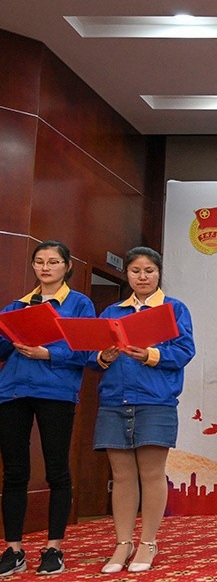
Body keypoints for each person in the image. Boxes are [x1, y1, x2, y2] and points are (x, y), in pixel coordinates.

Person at [92, 247, 195, 573]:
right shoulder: (112, 312)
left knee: (151, 474)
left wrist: (150, 355)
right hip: (115, 399)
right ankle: (123, 543)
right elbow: (89, 354)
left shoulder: (173, 309)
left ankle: (148, 542)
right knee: (122, 476)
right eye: (135, 271)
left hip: (155, 400)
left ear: (159, 273)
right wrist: (104, 356)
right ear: (127, 274)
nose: (142, 276)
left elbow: (184, 351)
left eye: (149, 270)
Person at [0, 241, 96, 577]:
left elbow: (86, 351)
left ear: (67, 266)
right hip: (12, 391)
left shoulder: (80, 304)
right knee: (14, 472)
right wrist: (10, 334)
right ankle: (13, 549)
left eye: (53, 262)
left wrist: (49, 353)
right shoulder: (17, 305)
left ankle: (54, 547)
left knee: (57, 470)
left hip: (56, 392)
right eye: (39, 261)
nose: (45, 267)